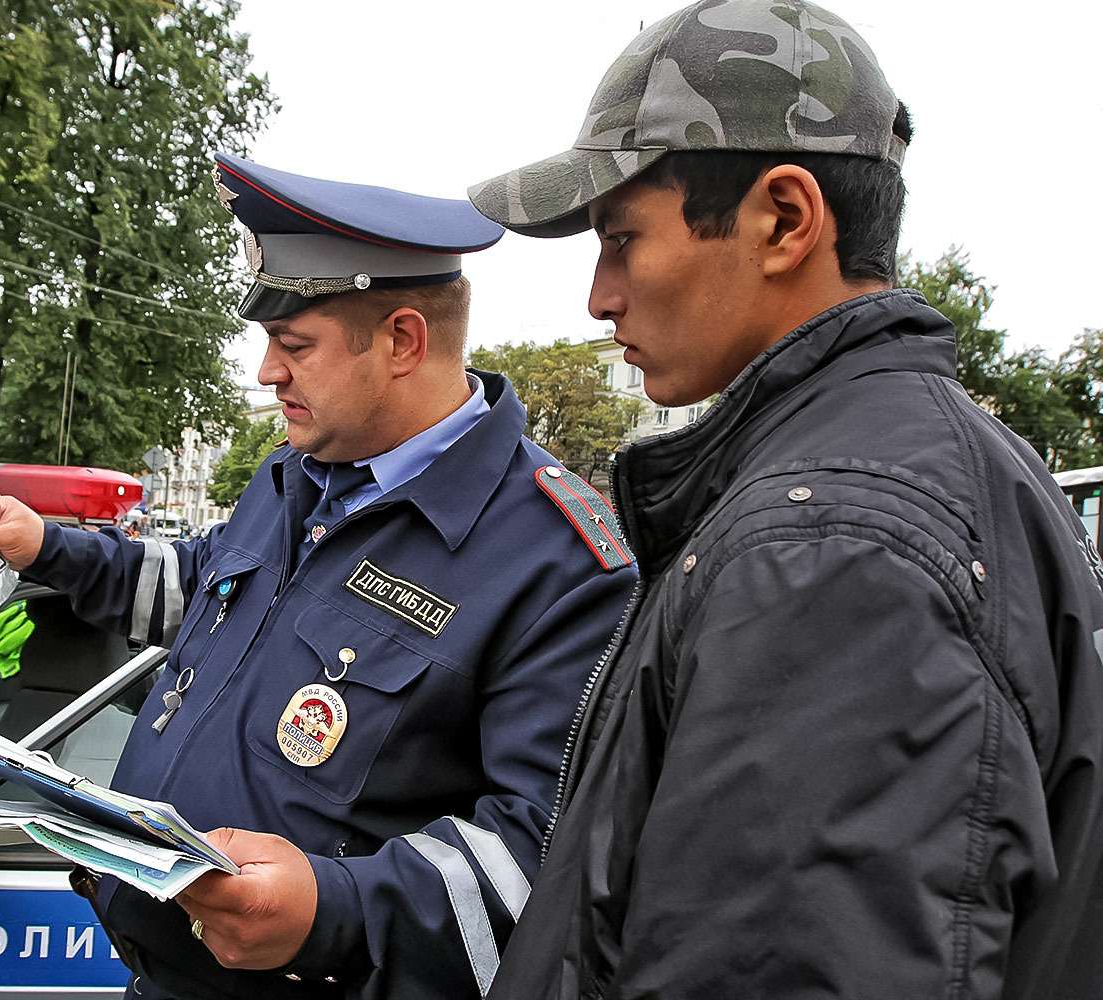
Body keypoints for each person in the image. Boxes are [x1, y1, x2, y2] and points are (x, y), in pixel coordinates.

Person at [465, 2, 1103, 997]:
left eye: (621, 238)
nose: (598, 294)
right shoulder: (941, 468)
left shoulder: (828, 549)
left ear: (784, 219)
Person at [0, 153, 637, 1000]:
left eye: (294, 345)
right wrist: (48, 549)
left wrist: (333, 910)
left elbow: (545, 858)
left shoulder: (559, 559)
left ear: (401, 341)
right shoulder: (297, 476)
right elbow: (201, 584)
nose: (266, 373)